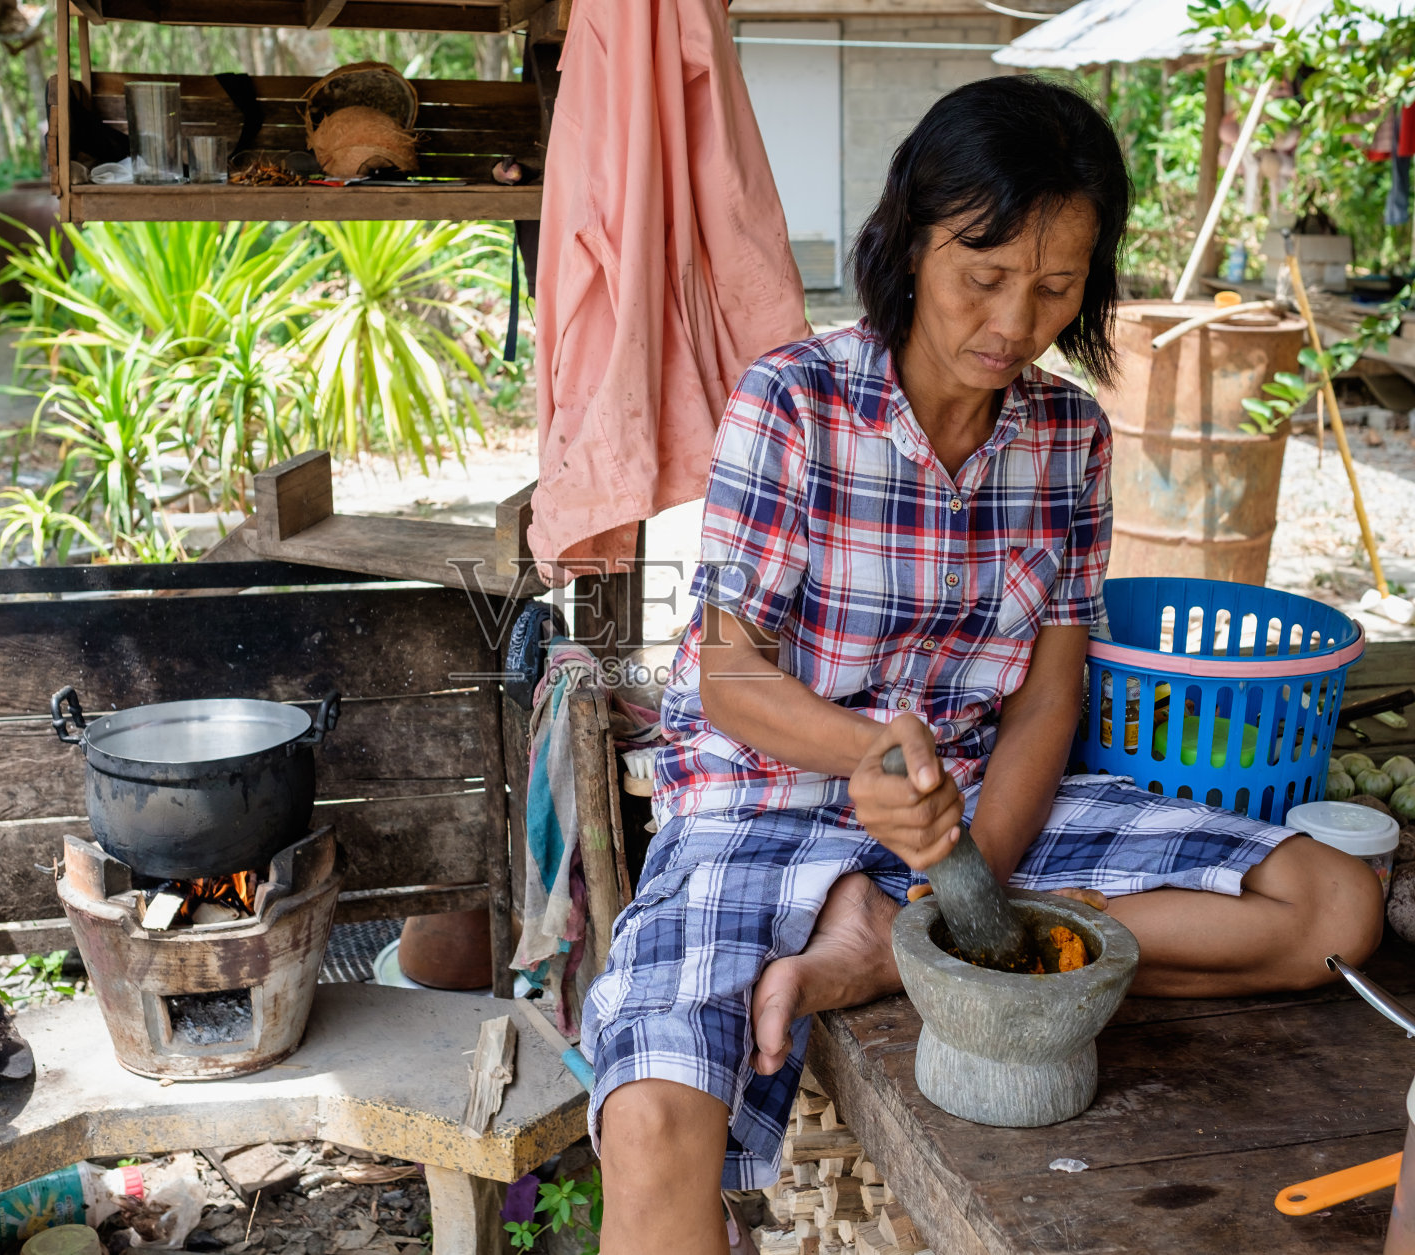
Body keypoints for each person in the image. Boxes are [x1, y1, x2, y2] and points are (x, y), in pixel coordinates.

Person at [583, 76, 1385, 1255]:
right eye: (984, 273)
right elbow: (729, 676)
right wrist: (869, 759)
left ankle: (893, 952)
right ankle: (935, 947)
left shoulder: (1067, 439)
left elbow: (1047, 703)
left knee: (1334, 908)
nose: (1015, 321)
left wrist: (944, 896)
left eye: (1056, 286)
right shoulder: (795, 401)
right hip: (764, 798)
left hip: (985, 812)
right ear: (912, 242)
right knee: (652, 1128)